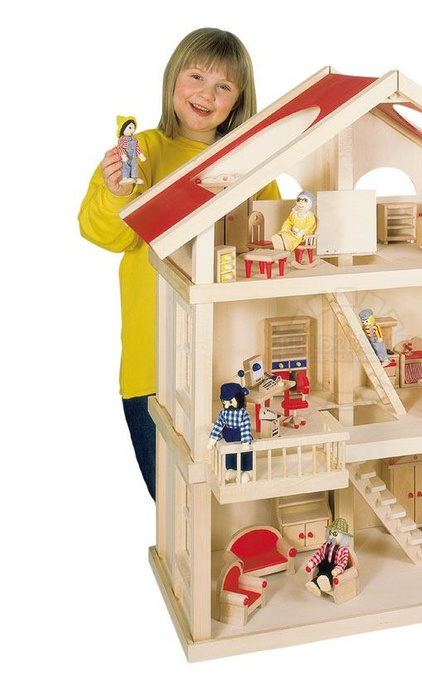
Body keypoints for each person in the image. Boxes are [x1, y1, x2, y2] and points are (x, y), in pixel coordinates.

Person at [78, 29, 280, 500]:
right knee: (172, 506)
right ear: (173, 80)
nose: (206, 93)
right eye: (196, 76)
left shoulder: (251, 161)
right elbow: (103, 234)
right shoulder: (142, 152)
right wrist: (118, 193)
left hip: (230, 364)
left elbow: (274, 236)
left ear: (238, 100)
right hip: (153, 367)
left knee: (233, 499)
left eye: (224, 85)